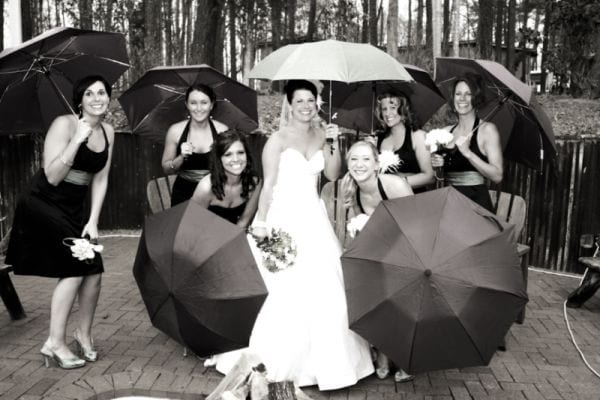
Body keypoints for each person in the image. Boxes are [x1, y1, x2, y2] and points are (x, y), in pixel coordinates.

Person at [214, 80, 374, 390]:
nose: (305, 105)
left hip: (313, 217)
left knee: (325, 287)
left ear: (317, 103)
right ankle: (268, 360)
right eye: (299, 100)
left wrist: (333, 143)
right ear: (289, 104)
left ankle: (329, 365)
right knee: (282, 288)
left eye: (310, 100)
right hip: (283, 216)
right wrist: (260, 222)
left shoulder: (322, 133)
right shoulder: (277, 139)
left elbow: (330, 174)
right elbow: (269, 184)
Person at [6, 75, 115, 369]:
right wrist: (76, 140)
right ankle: (54, 342)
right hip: (43, 201)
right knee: (75, 266)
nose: (96, 98)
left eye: (102, 93)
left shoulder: (108, 130)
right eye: (89, 93)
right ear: (79, 100)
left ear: (108, 97)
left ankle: (84, 334)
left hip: (75, 207)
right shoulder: (64, 125)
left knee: (93, 269)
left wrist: (93, 220)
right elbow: (52, 176)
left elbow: (101, 179)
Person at [340, 140, 414, 383]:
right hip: (376, 253)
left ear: (376, 164)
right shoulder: (350, 188)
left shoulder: (393, 185)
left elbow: (416, 224)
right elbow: (356, 230)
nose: (359, 165)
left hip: (406, 251)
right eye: (354, 159)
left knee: (396, 297)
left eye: (365, 159)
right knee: (368, 290)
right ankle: (382, 354)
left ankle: (404, 356)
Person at [431, 75, 503, 212]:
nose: (462, 99)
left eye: (468, 94)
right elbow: (441, 177)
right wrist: (437, 167)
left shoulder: (487, 130)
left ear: (476, 98)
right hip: (449, 202)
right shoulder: (446, 132)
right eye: (458, 94)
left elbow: (497, 175)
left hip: (474, 205)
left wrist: (468, 153)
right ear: (453, 98)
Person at [161, 83, 228, 206]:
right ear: (186, 105)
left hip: (214, 192)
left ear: (211, 105)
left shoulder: (222, 131)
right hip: (183, 194)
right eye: (193, 103)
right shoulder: (175, 131)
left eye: (204, 102)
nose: (198, 108)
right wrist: (181, 157)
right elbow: (166, 169)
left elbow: (231, 168)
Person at [191, 130, 261, 227]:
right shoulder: (206, 187)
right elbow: (192, 224)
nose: (236, 159)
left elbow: (243, 221)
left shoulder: (254, 183)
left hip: (234, 235)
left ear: (247, 155)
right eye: (228, 154)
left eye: (240, 152)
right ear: (219, 159)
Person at [375, 92, 434, 192]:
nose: (387, 113)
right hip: (387, 201)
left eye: (393, 107)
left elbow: (430, 177)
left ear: (403, 110)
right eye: (384, 109)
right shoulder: (379, 139)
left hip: (413, 199)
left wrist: (397, 182)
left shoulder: (418, 136)